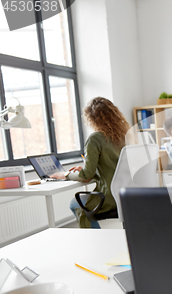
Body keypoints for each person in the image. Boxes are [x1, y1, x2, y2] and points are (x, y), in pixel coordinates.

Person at [50, 97, 130, 228]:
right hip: (126, 194)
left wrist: (65, 175)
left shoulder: (95, 138)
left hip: (109, 196)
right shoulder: (124, 136)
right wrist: (89, 167)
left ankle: (95, 241)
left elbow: (86, 176)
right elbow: (114, 166)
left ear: (91, 118)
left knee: (75, 205)